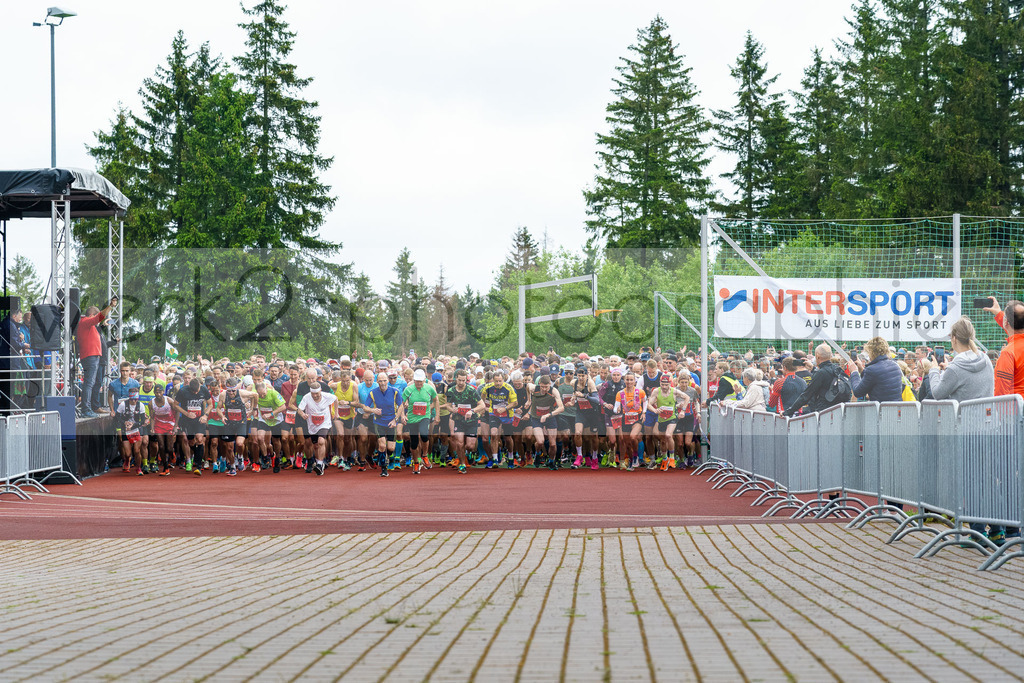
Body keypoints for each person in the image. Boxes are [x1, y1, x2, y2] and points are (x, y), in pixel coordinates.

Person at [925, 317, 994, 401]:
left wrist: (934, 371)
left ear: (954, 339)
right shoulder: (986, 359)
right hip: (988, 413)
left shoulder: (955, 369)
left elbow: (937, 393)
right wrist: (948, 368)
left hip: (965, 414)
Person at [77, 297, 118, 417]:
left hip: (92, 356)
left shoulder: (90, 326)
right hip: (90, 356)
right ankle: (86, 409)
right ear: (92, 315)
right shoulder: (85, 321)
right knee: (89, 383)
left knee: (90, 383)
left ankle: (87, 408)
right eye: (95, 316)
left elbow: (99, 321)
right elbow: (99, 317)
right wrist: (110, 306)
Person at [784, 344, 849, 417]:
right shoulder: (837, 369)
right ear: (831, 356)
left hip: (824, 413)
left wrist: (788, 412)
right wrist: (813, 369)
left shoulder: (821, 373)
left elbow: (806, 395)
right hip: (839, 412)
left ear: (817, 356)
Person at [847, 336, 903, 402]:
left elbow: (857, 392)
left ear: (871, 352)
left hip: (881, 410)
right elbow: (876, 378)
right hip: (895, 409)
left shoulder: (871, 370)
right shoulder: (895, 365)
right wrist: (862, 369)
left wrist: (854, 372)